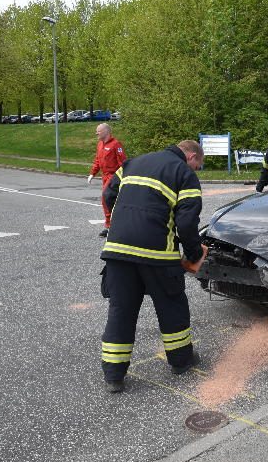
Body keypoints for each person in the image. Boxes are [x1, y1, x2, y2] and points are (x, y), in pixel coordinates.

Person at [99, 139, 207, 393]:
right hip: (157, 254)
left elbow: (108, 193)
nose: (196, 171)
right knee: (172, 306)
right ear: (191, 156)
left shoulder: (133, 162)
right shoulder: (183, 174)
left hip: (118, 251)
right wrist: (193, 255)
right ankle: (181, 362)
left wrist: (123, 220)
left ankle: (114, 375)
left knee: (121, 311)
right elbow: (187, 222)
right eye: (198, 166)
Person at [88, 123, 126, 237]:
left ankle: (110, 226)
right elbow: (97, 161)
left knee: (106, 198)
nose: (96, 133)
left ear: (106, 131)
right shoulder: (100, 144)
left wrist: (123, 177)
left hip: (113, 177)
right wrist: (92, 173)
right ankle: (111, 225)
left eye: (98, 131)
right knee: (108, 201)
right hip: (104, 177)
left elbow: (123, 162)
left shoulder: (116, 145)